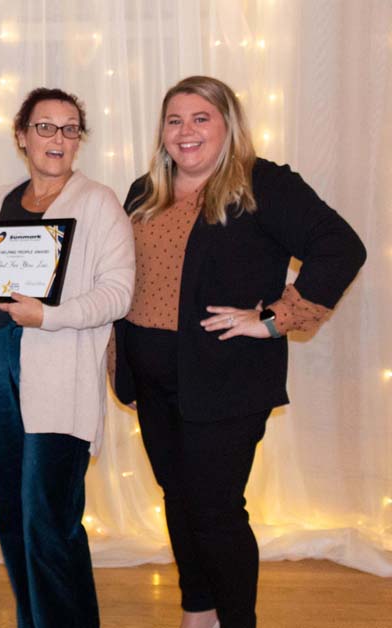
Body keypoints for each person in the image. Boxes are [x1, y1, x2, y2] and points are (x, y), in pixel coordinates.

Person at [113, 75, 366, 628]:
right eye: (174, 119)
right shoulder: (144, 191)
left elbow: (340, 247)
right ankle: (197, 612)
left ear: (229, 124)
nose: (186, 131)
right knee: (178, 502)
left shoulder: (260, 183)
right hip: (153, 380)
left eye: (201, 117)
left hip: (224, 383)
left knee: (216, 512)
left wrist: (274, 320)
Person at [0, 88, 135, 628]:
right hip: (0, 372)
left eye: (69, 129)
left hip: (61, 379)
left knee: (51, 522)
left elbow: (118, 294)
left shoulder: (98, 203)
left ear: (79, 139)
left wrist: (48, 315)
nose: (57, 139)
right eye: (45, 128)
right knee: (13, 519)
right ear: (21, 136)